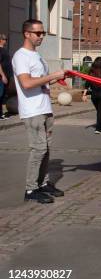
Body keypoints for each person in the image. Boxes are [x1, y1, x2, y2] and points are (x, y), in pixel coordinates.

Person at [12, 19, 66, 203]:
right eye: (38, 33)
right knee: (38, 149)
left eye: (43, 33)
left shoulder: (38, 57)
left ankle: (42, 184)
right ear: (27, 34)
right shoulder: (21, 56)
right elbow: (26, 83)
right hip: (32, 110)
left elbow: (41, 81)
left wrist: (56, 78)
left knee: (46, 149)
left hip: (44, 107)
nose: (42, 36)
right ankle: (30, 189)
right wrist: (51, 76)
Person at [82, 57, 101, 134]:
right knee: (100, 112)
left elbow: (87, 83)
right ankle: (98, 129)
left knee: (99, 111)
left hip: (94, 96)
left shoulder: (91, 72)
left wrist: (84, 94)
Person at [0, 33, 11, 119]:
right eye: (5, 39)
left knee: (3, 95)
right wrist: (3, 75)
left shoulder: (3, 49)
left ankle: (1, 114)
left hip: (6, 76)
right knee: (0, 94)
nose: (6, 41)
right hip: (1, 77)